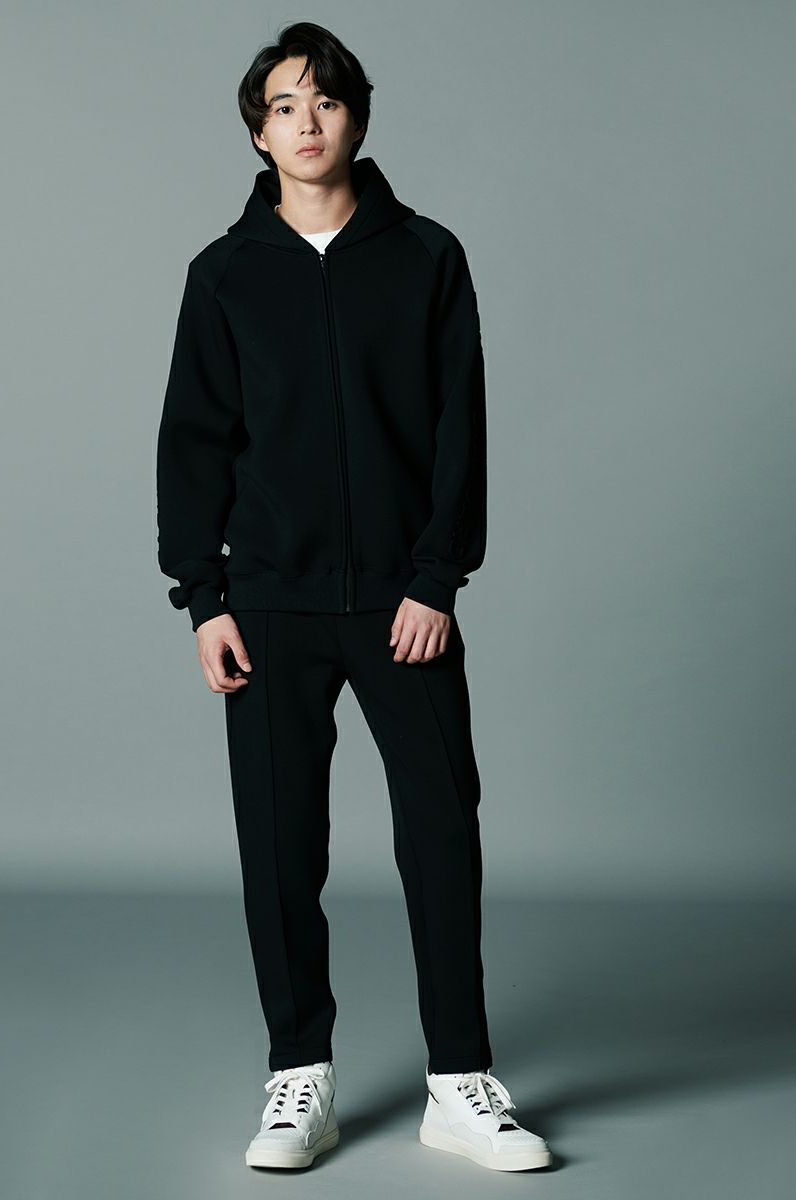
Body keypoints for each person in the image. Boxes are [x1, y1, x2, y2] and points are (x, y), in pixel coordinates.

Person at [156, 21, 552, 1174]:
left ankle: (458, 1082)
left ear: (357, 118)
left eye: (325, 101)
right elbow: (193, 441)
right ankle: (300, 1077)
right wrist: (204, 597)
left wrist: (436, 578)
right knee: (280, 845)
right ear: (257, 130)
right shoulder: (224, 275)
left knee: (439, 833)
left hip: (399, 605)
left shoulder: (425, 257)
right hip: (266, 607)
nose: (307, 122)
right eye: (284, 105)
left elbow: (460, 428)